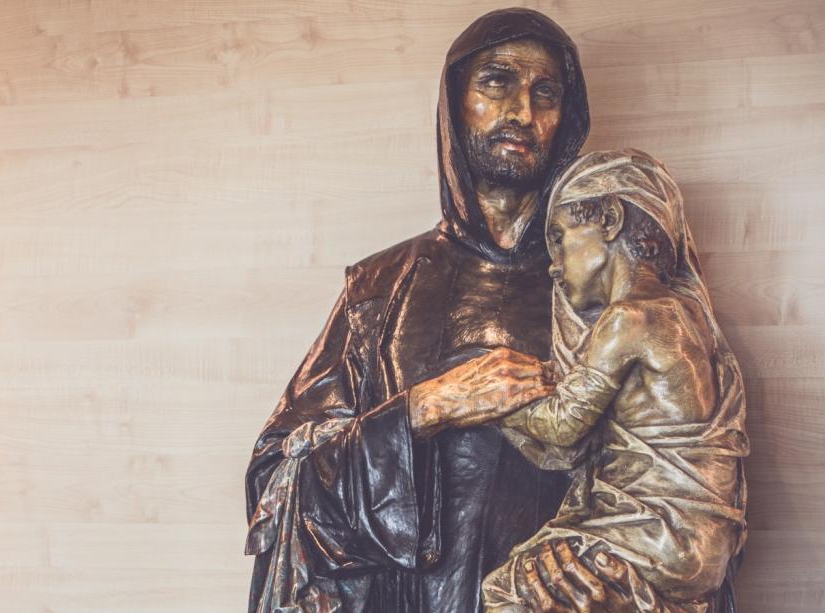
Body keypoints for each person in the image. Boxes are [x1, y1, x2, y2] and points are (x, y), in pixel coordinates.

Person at [243, 9, 592, 612]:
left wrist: (594, 539)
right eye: (497, 81)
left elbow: (681, 454)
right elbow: (276, 482)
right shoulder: (380, 288)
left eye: (547, 93)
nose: (523, 112)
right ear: (454, 102)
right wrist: (427, 407)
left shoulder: (607, 283)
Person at [481, 149, 749, 613]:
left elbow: (564, 426)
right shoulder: (690, 318)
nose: (553, 264)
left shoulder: (628, 317)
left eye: (560, 238)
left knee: (505, 592)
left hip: (654, 534)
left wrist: (496, 398)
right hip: (701, 543)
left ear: (608, 218)